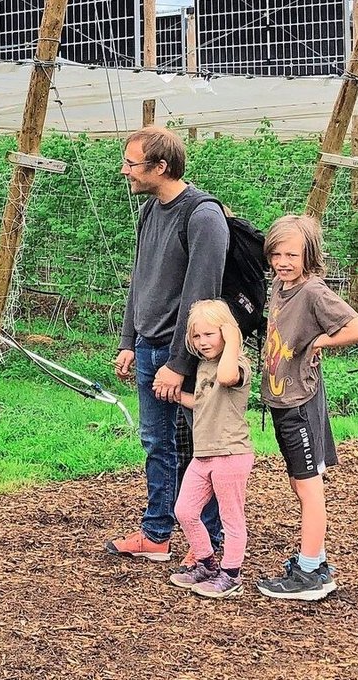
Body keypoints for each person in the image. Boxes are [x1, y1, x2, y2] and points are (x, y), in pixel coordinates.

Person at [108, 125, 227, 564]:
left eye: (132, 164)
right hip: (148, 348)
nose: (126, 172)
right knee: (157, 443)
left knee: (202, 447)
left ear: (161, 166)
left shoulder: (202, 216)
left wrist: (179, 363)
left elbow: (202, 298)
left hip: (187, 358)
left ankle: (211, 543)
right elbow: (140, 280)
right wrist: (129, 341)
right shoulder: (150, 212)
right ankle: (157, 533)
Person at [256, 214, 358, 601]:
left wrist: (319, 343)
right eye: (276, 253)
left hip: (298, 403)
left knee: (309, 489)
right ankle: (315, 562)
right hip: (282, 398)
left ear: (310, 255)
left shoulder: (313, 292)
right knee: (299, 482)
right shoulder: (281, 284)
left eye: (292, 254)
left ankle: (310, 575)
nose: (283, 261)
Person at [167, 300, 254, 599]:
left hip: (230, 453)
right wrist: (176, 395)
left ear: (227, 334)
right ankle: (205, 563)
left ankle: (232, 575)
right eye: (197, 336)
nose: (203, 342)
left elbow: (227, 377)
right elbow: (203, 402)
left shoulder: (238, 363)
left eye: (210, 334)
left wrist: (233, 339)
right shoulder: (204, 366)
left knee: (231, 518)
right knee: (185, 510)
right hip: (204, 454)